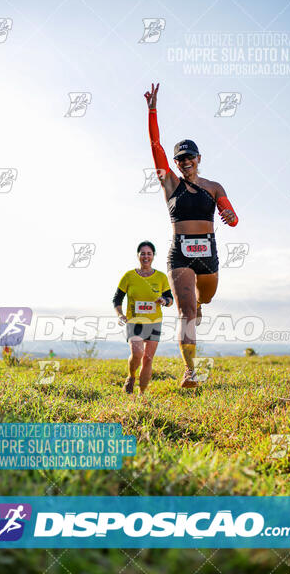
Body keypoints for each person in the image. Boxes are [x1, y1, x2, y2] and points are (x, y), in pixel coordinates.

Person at [144, 82, 239, 388]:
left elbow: (234, 219)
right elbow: (156, 145)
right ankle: (190, 371)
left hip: (207, 253)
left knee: (206, 297)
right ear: (175, 164)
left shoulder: (214, 187)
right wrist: (153, 110)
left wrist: (228, 215)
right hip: (180, 254)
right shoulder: (170, 184)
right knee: (185, 313)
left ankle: (200, 304)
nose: (185, 162)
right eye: (180, 159)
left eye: (190, 158)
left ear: (199, 158)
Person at [113, 240, 173, 394]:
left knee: (148, 359)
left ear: (153, 256)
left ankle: (142, 394)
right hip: (134, 321)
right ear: (138, 255)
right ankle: (131, 376)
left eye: (149, 253)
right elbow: (117, 299)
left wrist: (164, 301)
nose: (146, 256)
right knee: (137, 353)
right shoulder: (129, 276)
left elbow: (170, 299)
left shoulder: (161, 277)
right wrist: (120, 315)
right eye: (143, 253)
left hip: (154, 322)